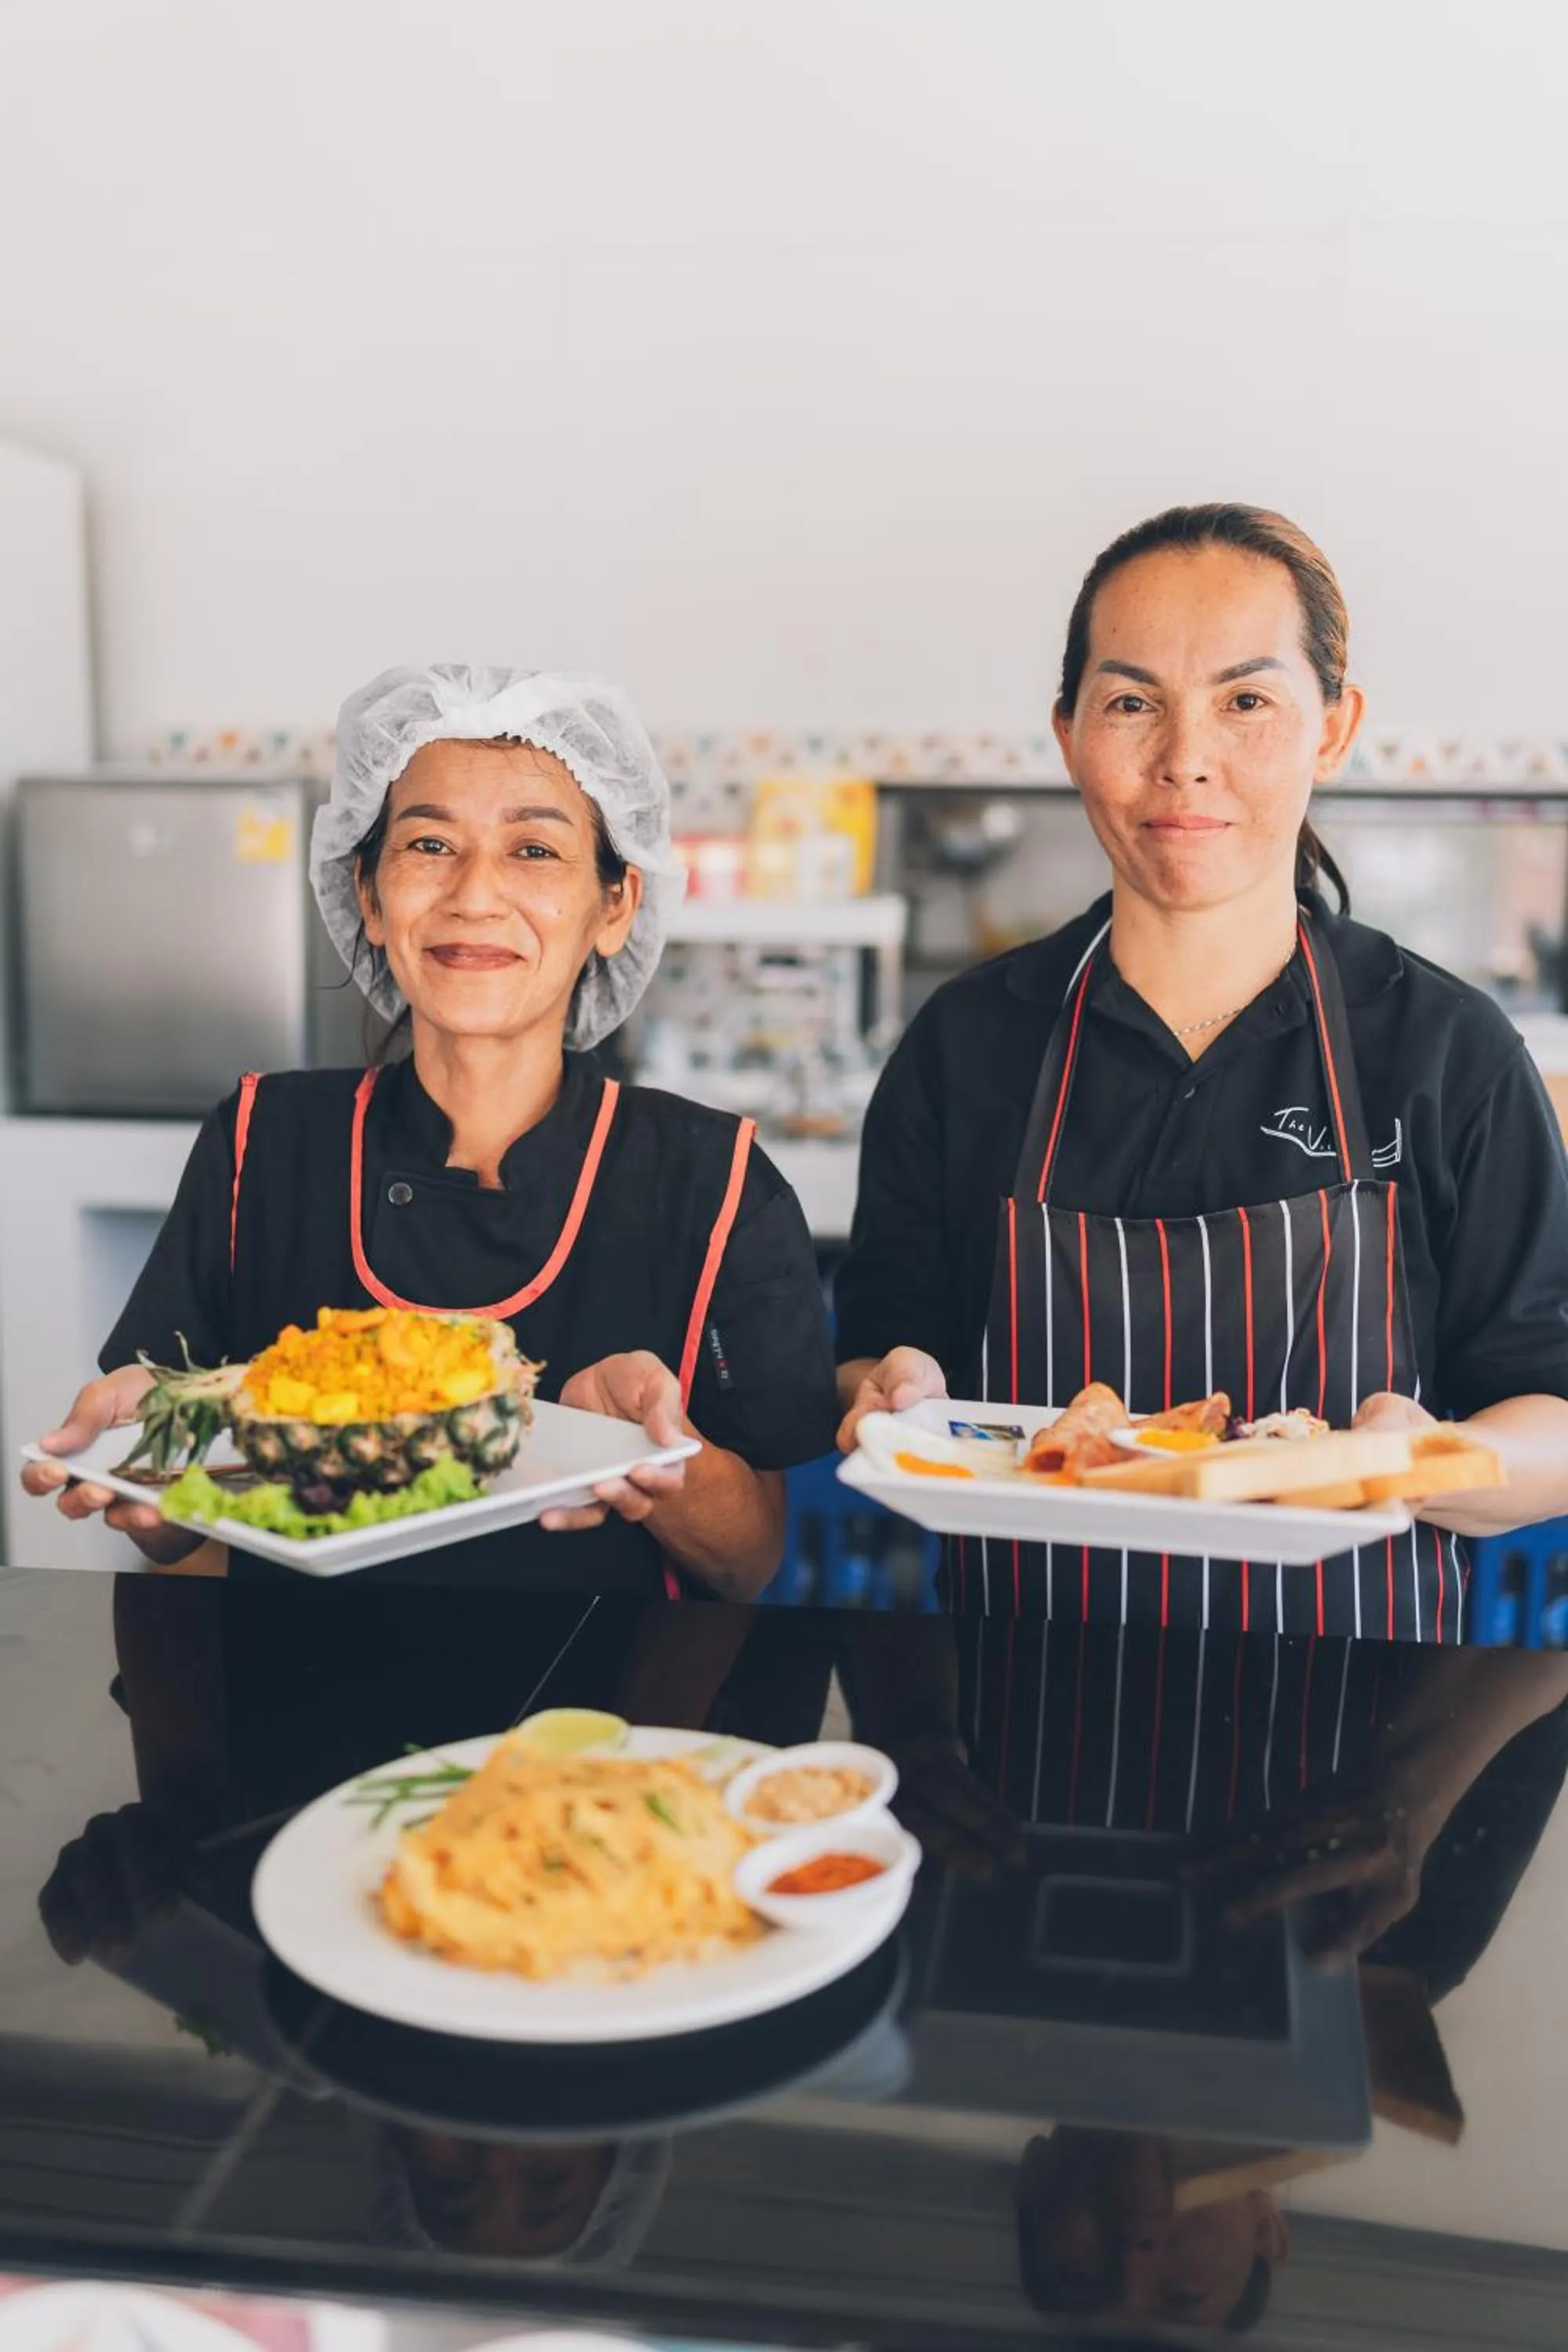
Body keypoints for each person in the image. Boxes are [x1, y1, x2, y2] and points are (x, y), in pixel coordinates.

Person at [836, 505, 1568, 1635]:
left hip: (1364, 1713)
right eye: (1132, 703)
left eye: (1246, 703)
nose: (1185, 760)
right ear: (1068, 732)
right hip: (1021, 1695)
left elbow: (1551, 1414)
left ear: (1333, 729)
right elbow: (874, 1352)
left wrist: (1419, 1461)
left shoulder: (1447, 1052)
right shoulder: (967, 1042)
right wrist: (888, 1391)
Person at [24, 666, 838, 1593]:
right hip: (294, 1675)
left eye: (533, 849)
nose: (474, 895)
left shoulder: (712, 1180)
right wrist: (145, 1462)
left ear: (615, 905)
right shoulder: (262, 1139)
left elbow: (747, 1561)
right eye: (428, 844)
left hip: (601, 1682)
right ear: (369, 896)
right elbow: (171, 1528)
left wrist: (655, 1452)